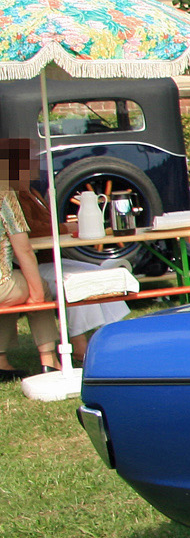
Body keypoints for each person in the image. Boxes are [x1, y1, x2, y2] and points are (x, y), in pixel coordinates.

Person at [1, 137, 122, 373]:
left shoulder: (32, 192)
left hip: (18, 275)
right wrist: (37, 294)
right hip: (8, 278)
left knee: (91, 274)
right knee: (41, 287)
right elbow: (25, 244)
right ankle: (51, 358)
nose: (32, 166)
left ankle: (104, 338)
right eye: (26, 162)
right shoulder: (7, 193)